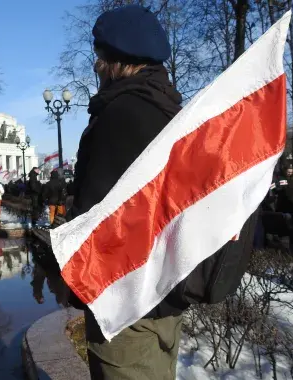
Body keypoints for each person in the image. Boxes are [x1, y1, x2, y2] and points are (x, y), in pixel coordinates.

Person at [69, 6, 185, 379]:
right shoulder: (168, 110)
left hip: (125, 302)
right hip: (161, 293)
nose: (96, 65)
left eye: (99, 55)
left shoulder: (121, 115)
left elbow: (100, 218)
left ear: (112, 59)